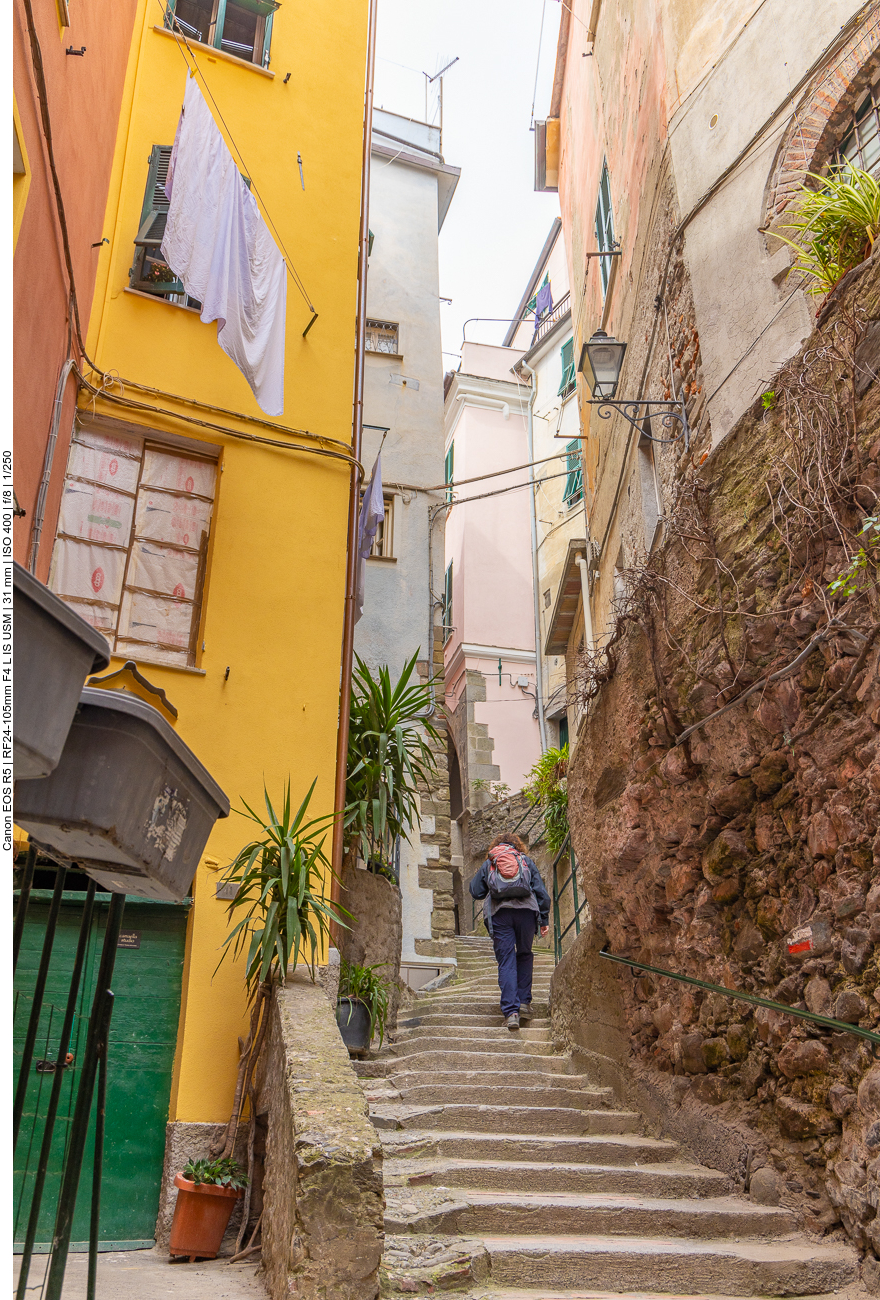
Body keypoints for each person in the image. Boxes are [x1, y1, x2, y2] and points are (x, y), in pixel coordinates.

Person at [469, 833, 551, 1031]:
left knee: (506, 960)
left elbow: (475, 891)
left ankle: (511, 1013)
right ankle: (524, 1003)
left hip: (500, 914)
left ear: (496, 846)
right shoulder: (525, 860)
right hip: (526, 914)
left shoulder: (490, 861)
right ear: (518, 846)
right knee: (524, 955)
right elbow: (541, 892)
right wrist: (544, 919)